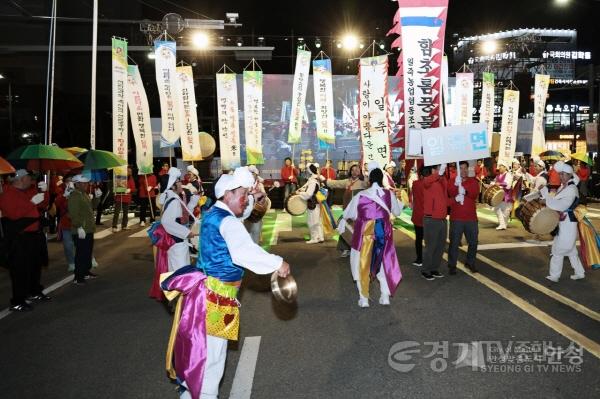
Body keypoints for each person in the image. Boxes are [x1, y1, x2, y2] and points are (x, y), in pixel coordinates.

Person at [162, 166, 290, 399]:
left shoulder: (213, 213)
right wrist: (278, 263)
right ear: (229, 194)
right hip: (216, 300)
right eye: (244, 195)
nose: (246, 199)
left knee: (201, 356)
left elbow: (239, 213)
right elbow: (244, 252)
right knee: (211, 361)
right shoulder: (227, 222)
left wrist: (254, 198)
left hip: (206, 295)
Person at [337, 162, 403, 307]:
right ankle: (385, 296)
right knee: (383, 262)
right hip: (383, 234)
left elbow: (349, 214)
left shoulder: (361, 195)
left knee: (361, 263)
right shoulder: (389, 194)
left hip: (363, 235)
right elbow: (397, 212)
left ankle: (364, 298)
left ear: (369, 180)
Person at [0, 169, 50, 311]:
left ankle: (34, 291)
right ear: (21, 179)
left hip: (33, 235)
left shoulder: (27, 191)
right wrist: (31, 202)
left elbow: (42, 204)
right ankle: (18, 300)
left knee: (35, 265)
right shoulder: (7, 194)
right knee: (20, 269)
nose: (32, 180)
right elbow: (15, 214)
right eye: (29, 177)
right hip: (19, 238)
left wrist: (44, 192)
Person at [539, 162, 585, 282]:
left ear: (570, 175)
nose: (561, 176)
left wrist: (547, 200)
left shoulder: (571, 189)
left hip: (568, 222)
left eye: (564, 174)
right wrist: (546, 196)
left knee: (558, 250)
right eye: (560, 174)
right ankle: (580, 272)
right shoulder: (564, 187)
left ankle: (554, 276)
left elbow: (562, 205)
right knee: (571, 251)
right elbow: (556, 200)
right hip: (565, 222)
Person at [158, 167, 200, 272]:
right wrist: (186, 233)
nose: (181, 183)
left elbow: (185, 212)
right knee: (180, 275)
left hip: (178, 242)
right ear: (172, 186)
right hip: (177, 243)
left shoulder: (173, 198)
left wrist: (195, 199)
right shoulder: (173, 200)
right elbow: (166, 221)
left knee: (179, 274)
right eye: (178, 181)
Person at [326, 164, 368, 257]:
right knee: (345, 227)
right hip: (347, 209)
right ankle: (345, 248)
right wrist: (327, 181)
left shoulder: (363, 182)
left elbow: (371, 184)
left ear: (360, 171)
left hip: (358, 210)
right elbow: (335, 183)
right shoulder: (347, 181)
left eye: (357, 170)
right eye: (352, 170)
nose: (354, 172)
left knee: (358, 228)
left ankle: (359, 248)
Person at [447, 161, 480, 275]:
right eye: (461, 168)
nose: (464, 170)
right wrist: (456, 186)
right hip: (456, 218)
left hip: (471, 218)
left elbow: (475, 194)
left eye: (465, 168)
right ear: (457, 170)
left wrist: (465, 191)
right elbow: (450, 193)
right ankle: (452, 265)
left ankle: (470, 262)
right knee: (454, 243)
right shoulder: (452, 182)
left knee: (473, 242)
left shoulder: (473, 181)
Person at [68, 174, 97, 285]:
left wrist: (97, 197)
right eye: (83, 183)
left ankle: (85, 272)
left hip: (88, 229)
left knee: (87, 252)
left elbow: (91, 209)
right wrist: (78, 226)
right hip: (80, 229)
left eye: (86, 183)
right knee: (81, 253)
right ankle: (78, 276)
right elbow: (73, 214)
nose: (86, 185)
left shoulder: (83, 194)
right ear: (77, 184)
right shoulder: (75, 196)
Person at [421, 164, 448, 280]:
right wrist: (438, 174)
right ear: (432, 170)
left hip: (442, 219)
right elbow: (426, 182)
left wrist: (457, 198)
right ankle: (426, 270)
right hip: (431, 218)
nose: (440, 170)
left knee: (440, 247)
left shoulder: (441, 182)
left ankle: (434, 268)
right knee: (430, 247)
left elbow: (445, 200)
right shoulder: (428, 181)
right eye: (437, 168)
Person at [297, 163, 324, 244]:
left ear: (310, 171)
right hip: (316, 203)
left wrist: (299, 193)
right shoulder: (315, 179)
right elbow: (305, 187)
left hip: (313, 203)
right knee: (317, 221)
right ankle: (320, 237)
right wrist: (300, 190)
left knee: (312, 221)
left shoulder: (313, 181)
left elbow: (309, 194)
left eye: (307, 170)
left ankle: (314, 238)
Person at [243, 165, 270, 244]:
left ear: (256, 175)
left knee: (256, 231)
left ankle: (255, 249)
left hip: (256, 213)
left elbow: (264, 197)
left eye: (253, 173)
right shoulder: (244, 185)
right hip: (246, 213)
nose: (251, 175)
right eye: (250, 173)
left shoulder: (260, 185)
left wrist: (263, 197)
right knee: (247, 231)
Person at [487, 160, 513, 230]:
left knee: (505, 211)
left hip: (506, 195)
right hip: (498, 196)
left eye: (501, 167)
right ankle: (502, 224)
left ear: (505, 168)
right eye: (500, 167)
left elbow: (508, 185)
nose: (500, 168)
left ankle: (504, 224)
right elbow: (494, 182)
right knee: (497, 208)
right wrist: (490, 185)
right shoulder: (498, 176)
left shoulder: (508, 175)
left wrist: (500, 184)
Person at [112, 167, 136, 232]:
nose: (130, 172)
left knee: (126, 212)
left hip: (127, 197)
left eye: (130, 171)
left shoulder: (131, 178)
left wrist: (130, 190)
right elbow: (116, 186)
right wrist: (120, 190)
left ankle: (124, 225)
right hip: (119, 197)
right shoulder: (120, 177)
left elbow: (133, 188)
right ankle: (114, 226)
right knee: (116, 212)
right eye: (128, 171)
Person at [411, 167, 426, 267]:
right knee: (430, 240)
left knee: (419, 239)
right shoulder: (432, 184)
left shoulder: (416, 184)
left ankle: (419, 259)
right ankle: (430, 259)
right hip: (429, 216)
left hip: (418, 215)